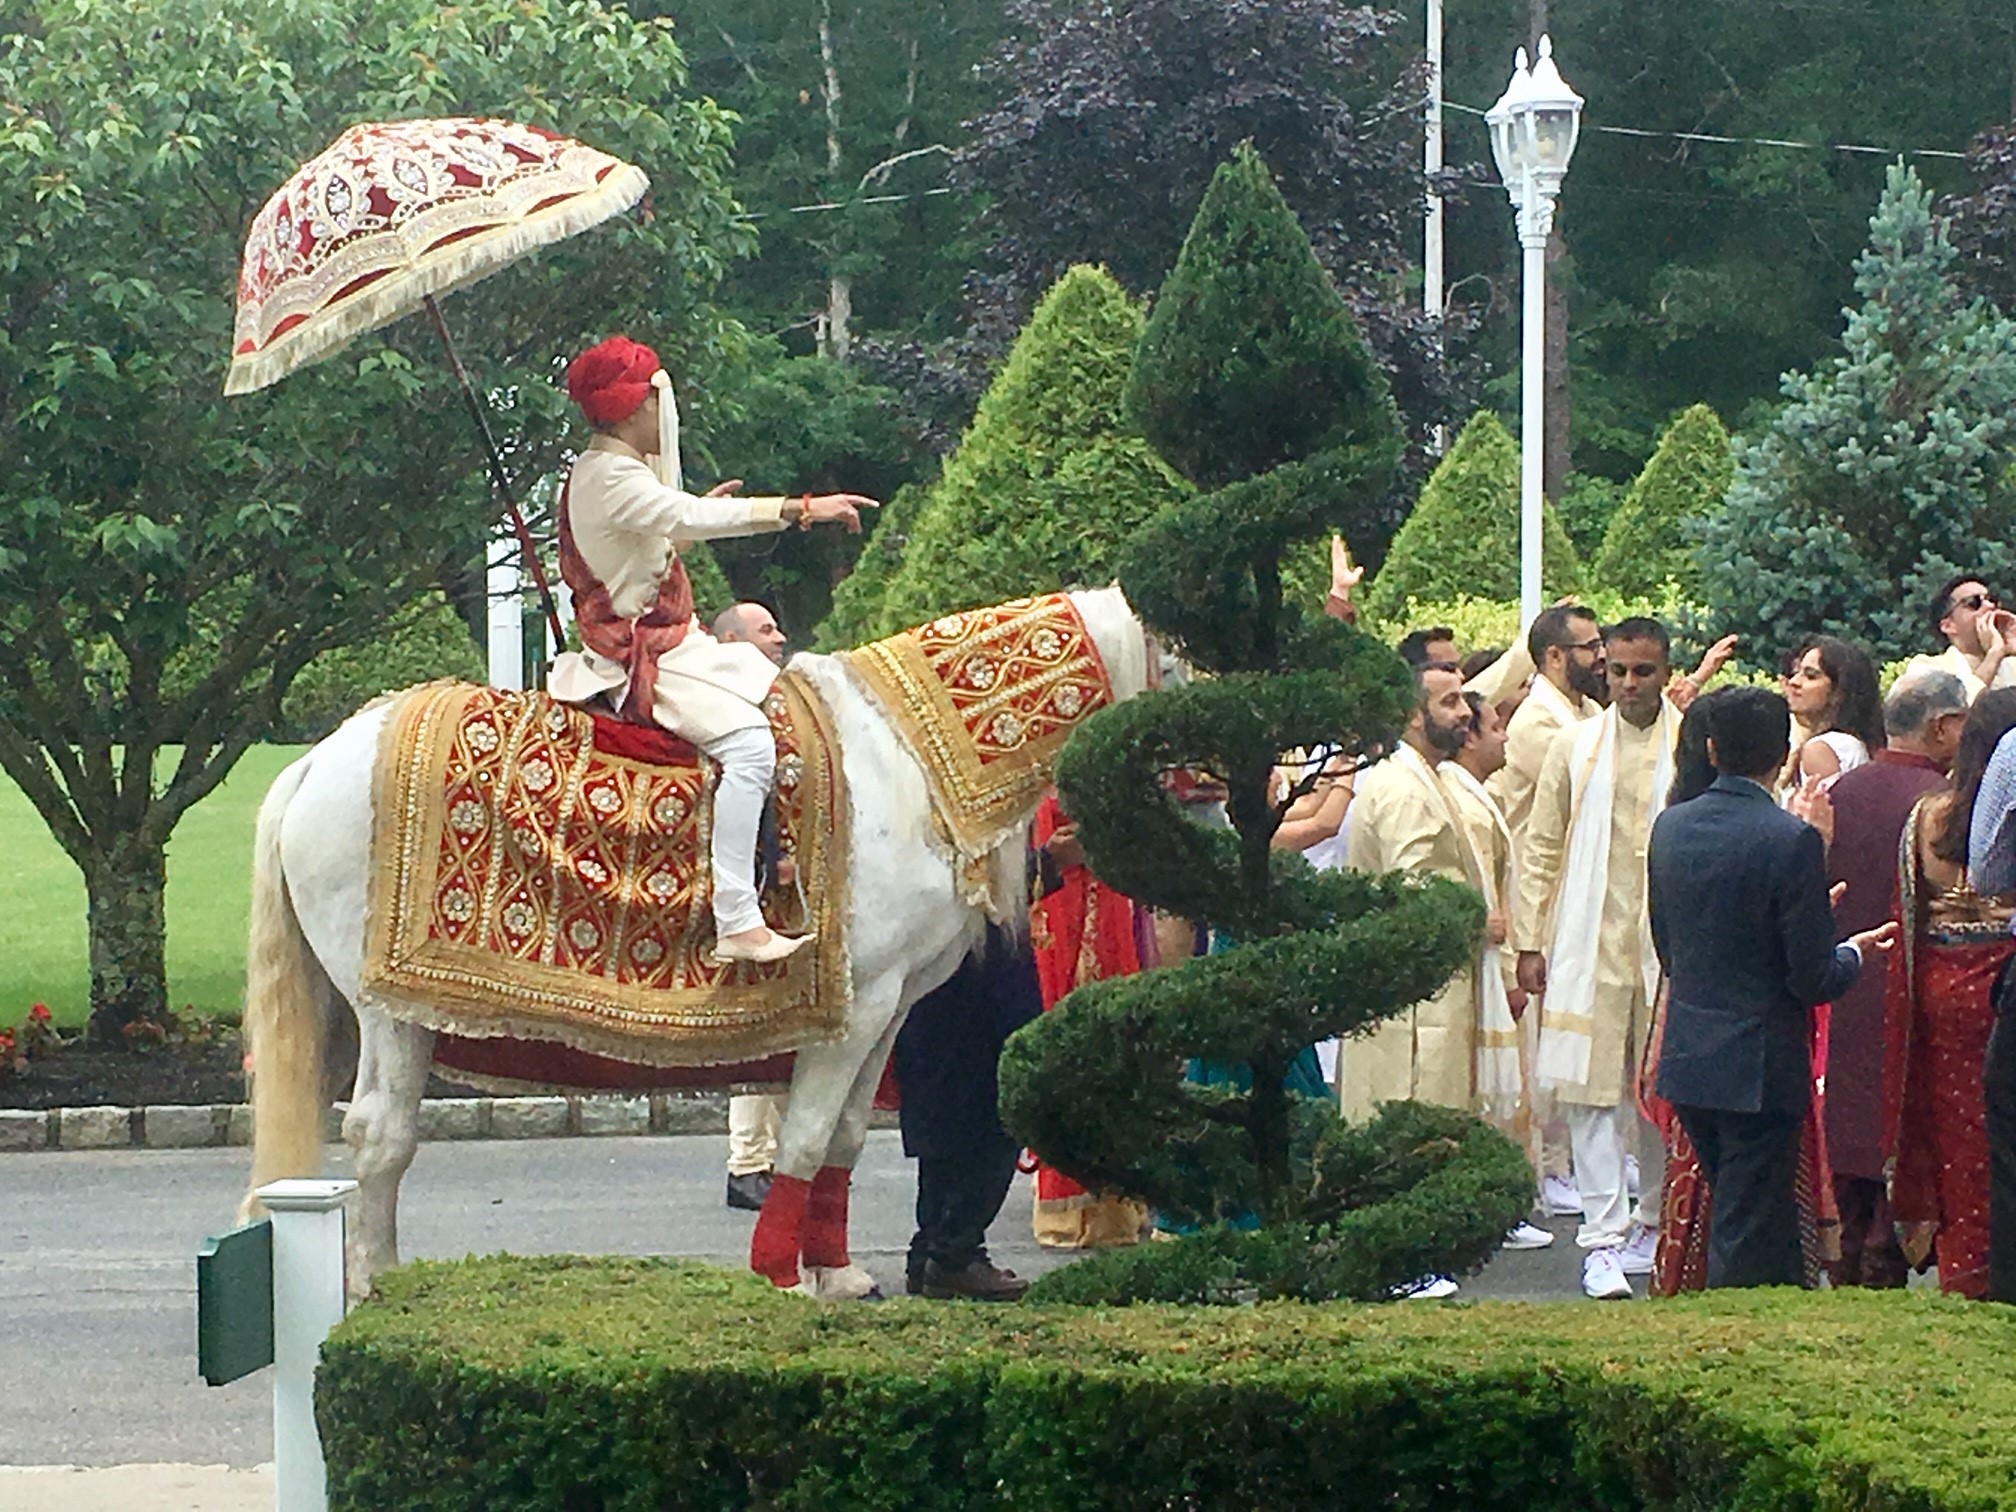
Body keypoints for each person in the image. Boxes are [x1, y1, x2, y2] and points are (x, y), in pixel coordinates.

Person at [547, 336, 876, 964]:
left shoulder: (609, 472)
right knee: (750, 744)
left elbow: (661, 540)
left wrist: (690, 519)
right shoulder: (611, 474)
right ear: (638, 406)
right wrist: (803, 509)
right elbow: (689, 520)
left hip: (673, 641)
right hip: (644, 656)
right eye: (655, 402)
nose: (661, 415)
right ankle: (736, 916)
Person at [1648, 686, 1894, 1289]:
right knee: (1748, 1228)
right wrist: (1851, 952)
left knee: (1758, 1217)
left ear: (1710, 747)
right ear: (1784, 753)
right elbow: (1812, 976)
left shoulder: (1671, 827)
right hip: (1759, 1063)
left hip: (1689, 1053)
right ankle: (1735, 1349)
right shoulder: (1790, 839)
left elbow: (1670, 950)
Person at [1517, 618, 1683, 1299]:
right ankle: (1601, 1238)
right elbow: (1543, 845)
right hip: (1588, 940)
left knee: (1659, 1093)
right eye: (1617, 670)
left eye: (1642, 671)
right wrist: (1530, 940)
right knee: (1589, 1094)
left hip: (1667, 946)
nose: (1628, 683)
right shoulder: (1575, 746)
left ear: (1667, 671)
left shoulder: (1692, 745)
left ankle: (1651, 1223)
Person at [1820, 671, 1968, 1285]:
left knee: (1850, 1138)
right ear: (1942, 726)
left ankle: (1851, 1258)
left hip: (1841, 988)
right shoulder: (1944, 805)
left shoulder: (1834, 792)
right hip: (1915, 1002)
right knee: (1899, 1135)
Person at [1885, 689, 2016, 1298]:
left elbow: (1908, 907)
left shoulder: (1927, 816)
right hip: (2002, 979)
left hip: (1941, 989)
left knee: (1958, 1141)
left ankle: (1965, 1271)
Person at [1343, 662, 1488, 1120]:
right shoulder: (1404, 789)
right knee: (1416, 1122)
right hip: (1413, 1004)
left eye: (1463, 699)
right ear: (1412, 714)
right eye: (1449, 703)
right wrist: (1482, 918)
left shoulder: (1428, 775)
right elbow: (1417, 891)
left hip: (1433, 986)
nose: (1465, 713)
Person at [1443, 693, 1553, 1252]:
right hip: (1480, 960)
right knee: (1487, 1094)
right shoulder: (1459, 799)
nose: (1506, 737)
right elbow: (1483, 895)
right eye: (1495, 727)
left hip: (1495, 956)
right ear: (1469, 738)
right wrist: (1509, 970)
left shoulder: (1474, 794)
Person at [1029, 790, 1153, 1249]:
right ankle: (1066, 1206)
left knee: (1117, 1038)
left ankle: (1117, 1205)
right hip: (1057, 899)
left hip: (1110, 901)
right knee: (1061, 1032)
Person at [895, 924, 1040, 1301]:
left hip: (932, 972)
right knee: (992, 1127)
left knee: (942, 1131)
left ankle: (931, 1250)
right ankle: (953, 1255)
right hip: (979, 970)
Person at [712, 602, 793, 1209]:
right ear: (731, 641)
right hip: (752, 893)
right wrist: (776, 857)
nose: (780, 637)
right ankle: (748, 1164)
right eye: (765, 630)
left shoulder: (771, 701)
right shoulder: (729, 709)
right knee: (758, 1032)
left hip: (776, 888)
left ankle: (777, 1162)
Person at [1780, 634, 1885, 790]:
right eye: (1796, 673)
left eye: (1810, 676)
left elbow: (1823, 813)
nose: (1794, 682)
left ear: (1838, 692)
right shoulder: (1858, 743)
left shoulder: (1822, 748)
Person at [1904, 575, 2016, 703]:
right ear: (1948, 625)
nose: (1989, 606)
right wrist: (1993, 655)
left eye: (1991, 600)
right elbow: (1958, 711)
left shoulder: (2012, 665)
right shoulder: (1927, 669)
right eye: (1974, 603)